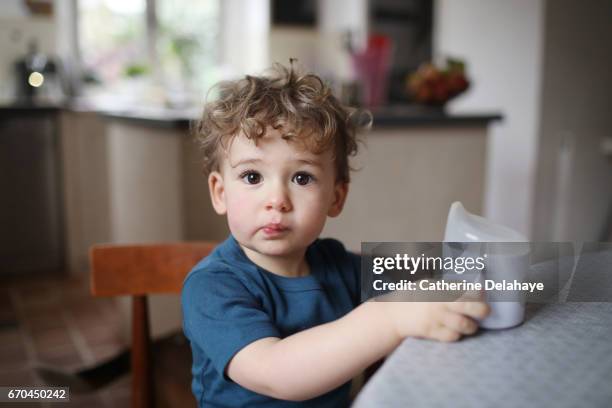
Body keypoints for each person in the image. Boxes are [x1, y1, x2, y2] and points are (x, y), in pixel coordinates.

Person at [181, 62, 490, 407]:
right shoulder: (211, 288)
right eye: (253, 177)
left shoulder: (334, 264)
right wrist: (389, 317)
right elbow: (275, 372)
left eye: (302, 178)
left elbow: (413, 269)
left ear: (336, 197)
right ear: (220, 192)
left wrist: (480, 269)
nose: (277, 201)